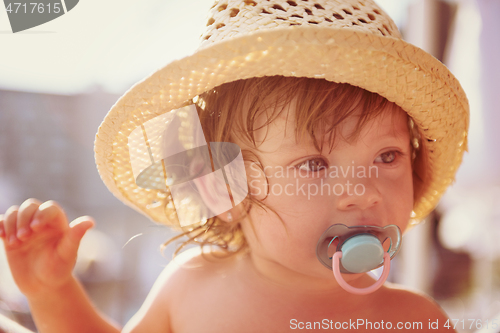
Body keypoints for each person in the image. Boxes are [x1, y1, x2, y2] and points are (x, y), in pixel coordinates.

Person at [0, 0, 469, 332]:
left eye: (386, 157)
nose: (363, 191)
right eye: (313, 164)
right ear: (222, 187)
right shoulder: (192, 286)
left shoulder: (414, 321)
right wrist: (52, 292)